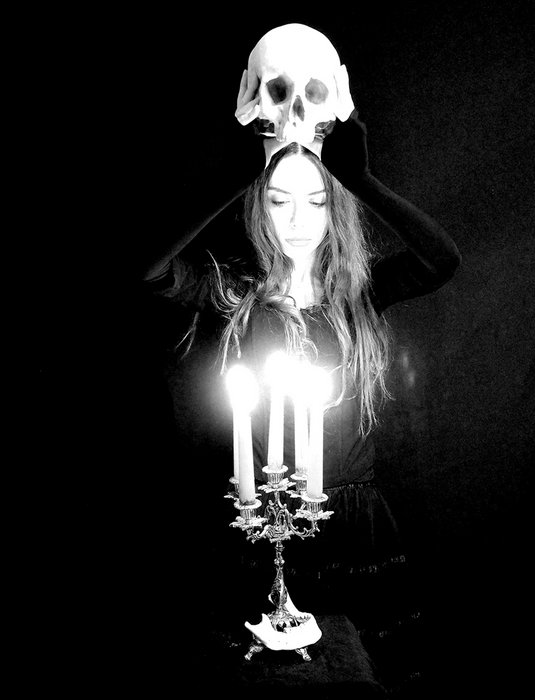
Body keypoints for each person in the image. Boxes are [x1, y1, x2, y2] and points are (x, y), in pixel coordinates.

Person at [139, 65, 461, 689]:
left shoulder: (360, 293)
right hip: (258, 521)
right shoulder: (234, 291)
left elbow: (441, 259)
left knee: (363, 674)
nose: (297, 219)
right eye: (278, 200)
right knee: (268, 680)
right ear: (257, 205)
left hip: (356, 524)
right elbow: (148, 270)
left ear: (334, 207)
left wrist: (361, 180)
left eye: (315, 201)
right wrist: (233, 178)